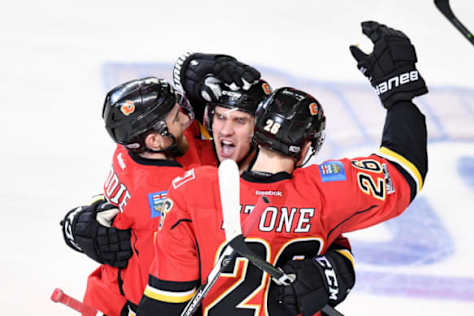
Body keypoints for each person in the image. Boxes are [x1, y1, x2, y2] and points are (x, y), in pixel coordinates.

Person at [136, 20, 428, 316]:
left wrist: (333, 272)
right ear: (305, 148)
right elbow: (405, 167)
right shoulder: (326, 192)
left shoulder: (191, 189)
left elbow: (165, 302)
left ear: (255, 129)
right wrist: (399, 94)